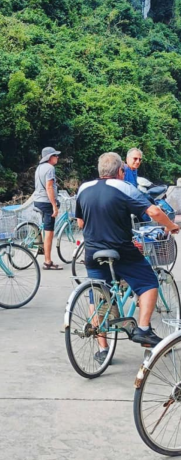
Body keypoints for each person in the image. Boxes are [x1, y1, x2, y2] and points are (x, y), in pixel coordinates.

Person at [76, 152, 179, 360]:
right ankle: (143, 329)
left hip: (92, 251)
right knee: (148, 282)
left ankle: (103, 350)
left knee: (97, 292)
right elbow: (154, 213)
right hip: (120, 250)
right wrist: (172, 226)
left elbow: (80, 223)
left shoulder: (83, 188)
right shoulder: (123, 187)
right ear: (120, 172)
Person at [34, 146, 62, 270]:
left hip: (38, 200)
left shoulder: (39, 168)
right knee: (49, 232)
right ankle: (47, 261)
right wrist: (54, 206)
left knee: (45, 228)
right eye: (55, 156)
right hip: (46, 203)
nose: (57, 158)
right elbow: (49, 187)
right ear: (50, 157)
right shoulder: (50, 168)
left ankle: (42, 248)